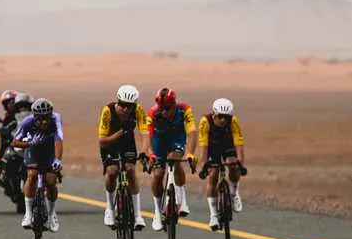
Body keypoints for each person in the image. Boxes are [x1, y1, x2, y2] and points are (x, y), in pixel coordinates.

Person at [144, 87, 197, 231]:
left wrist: (191, 153)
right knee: (158, 174)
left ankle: (182, 199)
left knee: (175, 160)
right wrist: (149, 153)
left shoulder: (184, 109)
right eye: (162, 108)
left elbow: (192, 131)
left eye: (167, 108)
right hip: (159, 141)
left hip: (176, 139)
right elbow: (147, 138)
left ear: (174, 104)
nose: (164, 112)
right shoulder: (153, 113)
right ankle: (157, 211)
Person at [97, 84, 148, 231]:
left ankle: (138, 215)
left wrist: (144, 151)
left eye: (130, 106)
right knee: (112, 172)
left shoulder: (138, 110)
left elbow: (145, 133)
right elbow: (102, 141)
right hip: (109, 142)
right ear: (118, 102)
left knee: (131, 171)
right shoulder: (107, 111)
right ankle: (110, 210)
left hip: (127, 143)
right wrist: (121, 132)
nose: (126, 110)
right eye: (123, 105)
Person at [13, 97, 64, 231]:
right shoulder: (27, 122)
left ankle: (52, 214)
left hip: (49, 151)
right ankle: (28, 214)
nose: (43, 122)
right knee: (32, 175)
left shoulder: (56, 119)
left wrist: (57, 160)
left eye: (46, 118)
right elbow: (14, 142)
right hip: (32, 150)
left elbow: (58, 141)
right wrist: (29, 143)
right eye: (40, 119)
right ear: (34, 116)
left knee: (51, 181)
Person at [195, 97, 247, 228]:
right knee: (213, 175)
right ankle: (213, 215)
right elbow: (203, 144)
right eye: (220, 117)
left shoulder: (233, 121)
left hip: (227, 144)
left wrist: (241, 163)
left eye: (226, 117)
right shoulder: (205, 122)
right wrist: (204, 165)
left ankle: (234, 193)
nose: (223, 120)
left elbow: (239, 143)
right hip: (212, 147)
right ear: (214, 114)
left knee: (233, 165)